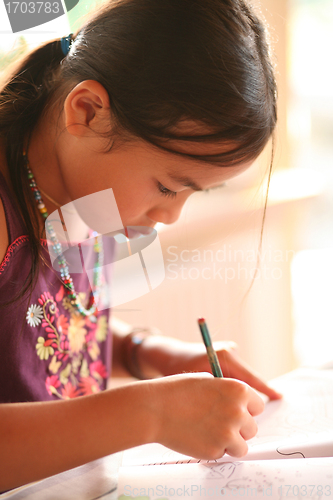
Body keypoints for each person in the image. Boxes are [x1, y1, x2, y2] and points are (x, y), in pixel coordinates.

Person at [0, 0, 282, 492]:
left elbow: (46, 331)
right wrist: (148, 411)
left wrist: (150, 353)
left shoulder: (79, 207)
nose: (171, 215)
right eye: (169, 186)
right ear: (87, 112)